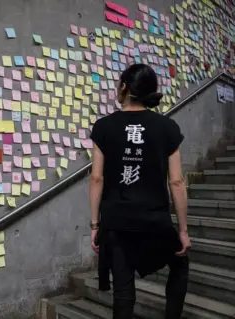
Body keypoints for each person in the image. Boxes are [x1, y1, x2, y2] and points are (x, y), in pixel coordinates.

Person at [89, 64, 191, 319]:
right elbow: (176, 182)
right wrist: (182, 231)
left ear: (124, 87)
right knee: (180, 262)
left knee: (123, 292)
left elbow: (97, 178)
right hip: (155, 221)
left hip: (117, 223)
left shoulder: (104, 127)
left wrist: (94, 226)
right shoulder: (166, 127)